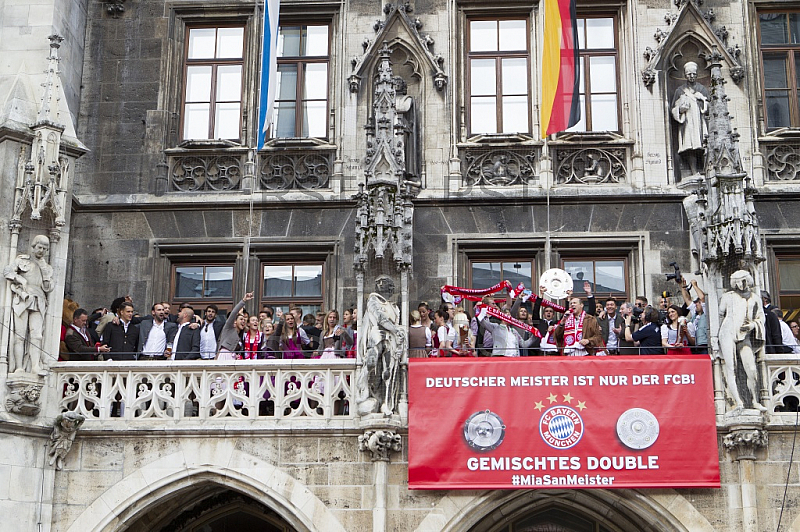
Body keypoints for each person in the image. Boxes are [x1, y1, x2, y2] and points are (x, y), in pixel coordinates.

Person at [4, 234, 53, 374]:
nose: (42, 250)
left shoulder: (47, 268)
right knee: (19, 335)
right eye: (39, 247)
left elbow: (48, 288)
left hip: (39, 301)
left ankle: (35, 365)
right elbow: (7, 271)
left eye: (45, 248)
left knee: (37, 335)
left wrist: (45, 271)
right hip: (23, 299)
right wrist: (20, 279)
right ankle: (19, 367)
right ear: (33, 247)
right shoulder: (22, 260)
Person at [358, 275, 406, 416]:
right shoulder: (373, 300)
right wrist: (395, 329)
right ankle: (366, 390)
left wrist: (398, 333)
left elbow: (395, 322)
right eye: (377, 282)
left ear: (390, 286)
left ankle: (387, 402)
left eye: (383, 282)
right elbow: (379, 317)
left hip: (391, 340)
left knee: (389, 371)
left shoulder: (394, 307)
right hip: (377, 335)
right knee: (372, 363)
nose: (379, 284)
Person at [719, 271, 766, 411]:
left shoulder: (755, 298)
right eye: (738, 281)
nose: (741, 284)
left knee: (751, 369)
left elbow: (761, 317)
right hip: (727, 333)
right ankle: (738, 402)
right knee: (731, 368)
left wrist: (752, 325)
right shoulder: (728, 297)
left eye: (744, 280)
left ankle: (754, 401)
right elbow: (721, 315)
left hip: (744, 335)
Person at [671, 61, 710, 177]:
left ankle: (705, 169)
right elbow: (674, 108)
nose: (691, 76)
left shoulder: (702, 89)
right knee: (690, 146)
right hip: (687, 123)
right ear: (685, 75)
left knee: (702, 144)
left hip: (700, 122)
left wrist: (702, 100)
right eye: (689, 74)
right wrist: (680, 109)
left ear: (697, 74)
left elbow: (709, 107)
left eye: (693, 74)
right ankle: (693, 172)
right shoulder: (680, 90)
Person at [216, 293, 253, 360]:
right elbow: (233, 313)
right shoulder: (228, 328)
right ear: (235, 321)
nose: (243, 321)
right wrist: (243, 301)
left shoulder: (240, 335)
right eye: (241, 319)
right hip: (225, 356)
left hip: (233, 358)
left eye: (244, 320)